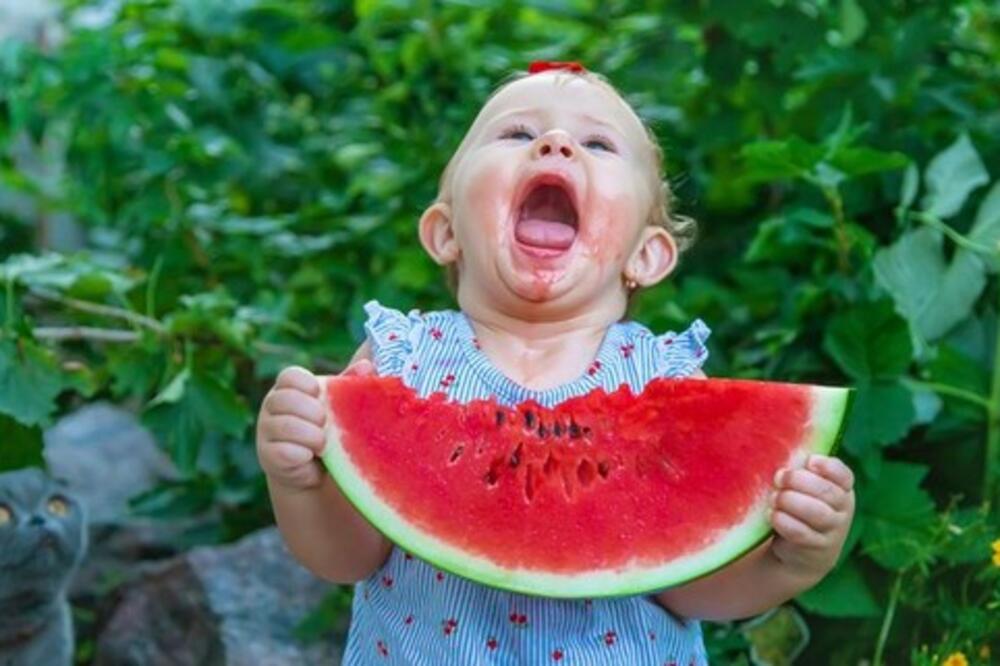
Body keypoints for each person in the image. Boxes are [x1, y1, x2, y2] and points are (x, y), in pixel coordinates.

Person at [256, 62, 856, 665]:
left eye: (597, 143)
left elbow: (690, 582)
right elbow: (347, 558)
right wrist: (300, 480)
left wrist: (787, 562)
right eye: (516, 134)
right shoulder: (399, 359)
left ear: (647, 256)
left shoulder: (665, 379)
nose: (555, 143)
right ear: (445, 233)